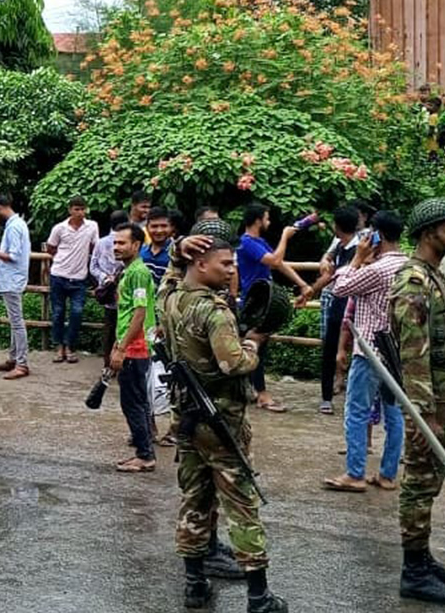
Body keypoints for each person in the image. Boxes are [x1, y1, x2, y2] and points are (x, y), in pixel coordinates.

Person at [158, 235, 285, 613]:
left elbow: (169, 276)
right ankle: (259, 596)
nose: (232, 270)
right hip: (221, 422)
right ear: (201, 265)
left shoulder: (172, 299)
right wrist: (254, 343)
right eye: (225, 264)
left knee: (194, 499)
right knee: (242, 504)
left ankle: (195, 584)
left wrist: (175, 250)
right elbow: (233, 363)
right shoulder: (215, 312)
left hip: (186, 419)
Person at [389, 198, 445, 606]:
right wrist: (423, 416)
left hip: (443, 401)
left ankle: (422, 557)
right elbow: (413, 354)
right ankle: (414, 571)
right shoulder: (414, 284)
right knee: (419, 486)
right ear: (428, 234)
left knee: (430, 482)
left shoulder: (434, 276)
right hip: (428, 404)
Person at [321, 211, 406, 494]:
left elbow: (340, 288)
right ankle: (388, 474)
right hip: (397, 351)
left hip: (369, 349)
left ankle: (355, 472)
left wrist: (357, 258)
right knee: (394, 413)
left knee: (356, 411)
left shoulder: (376, 270)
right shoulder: (408, 266)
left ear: (377, 235)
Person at [237, 203, 312, 413]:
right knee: (255, 346)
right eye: (267, 218)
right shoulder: (246, 243)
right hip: (253, 302)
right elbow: (274, 260)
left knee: (260, 347)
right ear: (258, 220)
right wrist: (285, 236)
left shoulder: (258, 241)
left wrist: (303, 284)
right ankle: (261, 394)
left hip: (264, 301)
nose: (268, 222)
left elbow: (280, 264)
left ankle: (253, 389)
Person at [298, 207, 361, 414]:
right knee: (330, 349)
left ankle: (349, 398)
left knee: (355, 352)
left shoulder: (359, 250)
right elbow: (330, 275)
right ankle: (327, 396)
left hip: (352, 306)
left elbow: (335, 277)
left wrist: (309, 291)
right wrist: (310, 292)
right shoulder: (342, 248)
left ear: (337, 226)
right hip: (340, 304)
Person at [111, 222, 156, 473]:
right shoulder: (130, 271)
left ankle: (145, 455)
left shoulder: (138, 272)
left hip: (136, 348)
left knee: (133, 402)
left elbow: (139, 313)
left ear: (136, 245)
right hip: (131, 344)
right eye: (115, 242)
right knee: (137, 399)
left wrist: (122, 348)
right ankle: (144, 449)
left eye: (122, 243)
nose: (116, 247)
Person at [0, 195, 31, 380]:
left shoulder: (14, 226)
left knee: (17, 322)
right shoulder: (14, 224)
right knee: (14, 321)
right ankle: (13, 358)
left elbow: (14, 255)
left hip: (12, 279)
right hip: (11, 278)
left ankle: (22, 363)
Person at [46, 197, 98, 364]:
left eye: (83, 209)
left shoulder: (92, 226)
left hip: (79, 278)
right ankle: (59, 346)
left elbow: (94, 246)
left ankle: (70, 345)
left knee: (77, 312)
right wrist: (63, 258)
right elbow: (50, 247)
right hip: (59, 275)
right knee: (57, 313)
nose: (80, 212)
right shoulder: (59, 228)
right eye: (76, 209)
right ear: (69, 210)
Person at [91, 211, 127, 369]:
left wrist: (105, 279)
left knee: (110, 327)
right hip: (125, 290)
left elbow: (93, 266)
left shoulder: (101, 242)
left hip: (108, 291)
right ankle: (122, 362)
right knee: (125, 327)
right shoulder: (131, 242)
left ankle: (108, 363)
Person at [141, 206, 173, 287]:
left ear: (171, 227)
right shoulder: (141, 253)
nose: (159, 231)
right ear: (147, 228)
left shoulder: (177, 252)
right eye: (154, 226)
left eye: (164, 226)